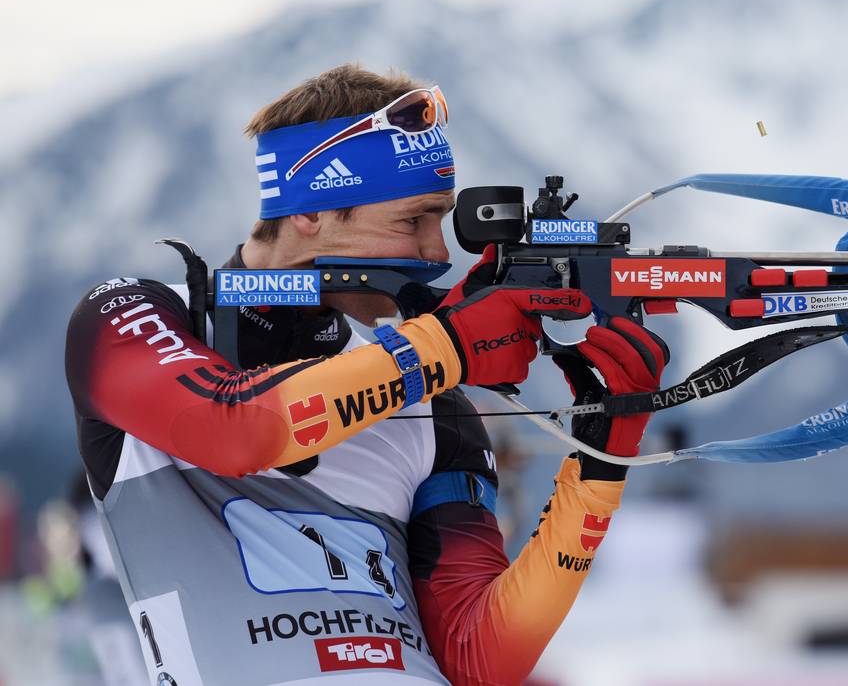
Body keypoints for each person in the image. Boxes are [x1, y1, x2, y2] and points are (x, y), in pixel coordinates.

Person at [64, 63, 668, 685]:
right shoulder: (136, 314)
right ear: (311, 213)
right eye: (414, 221)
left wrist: (600, 465)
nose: (438, 252)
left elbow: (479, 660)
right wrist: (448, 342)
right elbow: (235, 427)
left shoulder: (433, 400)